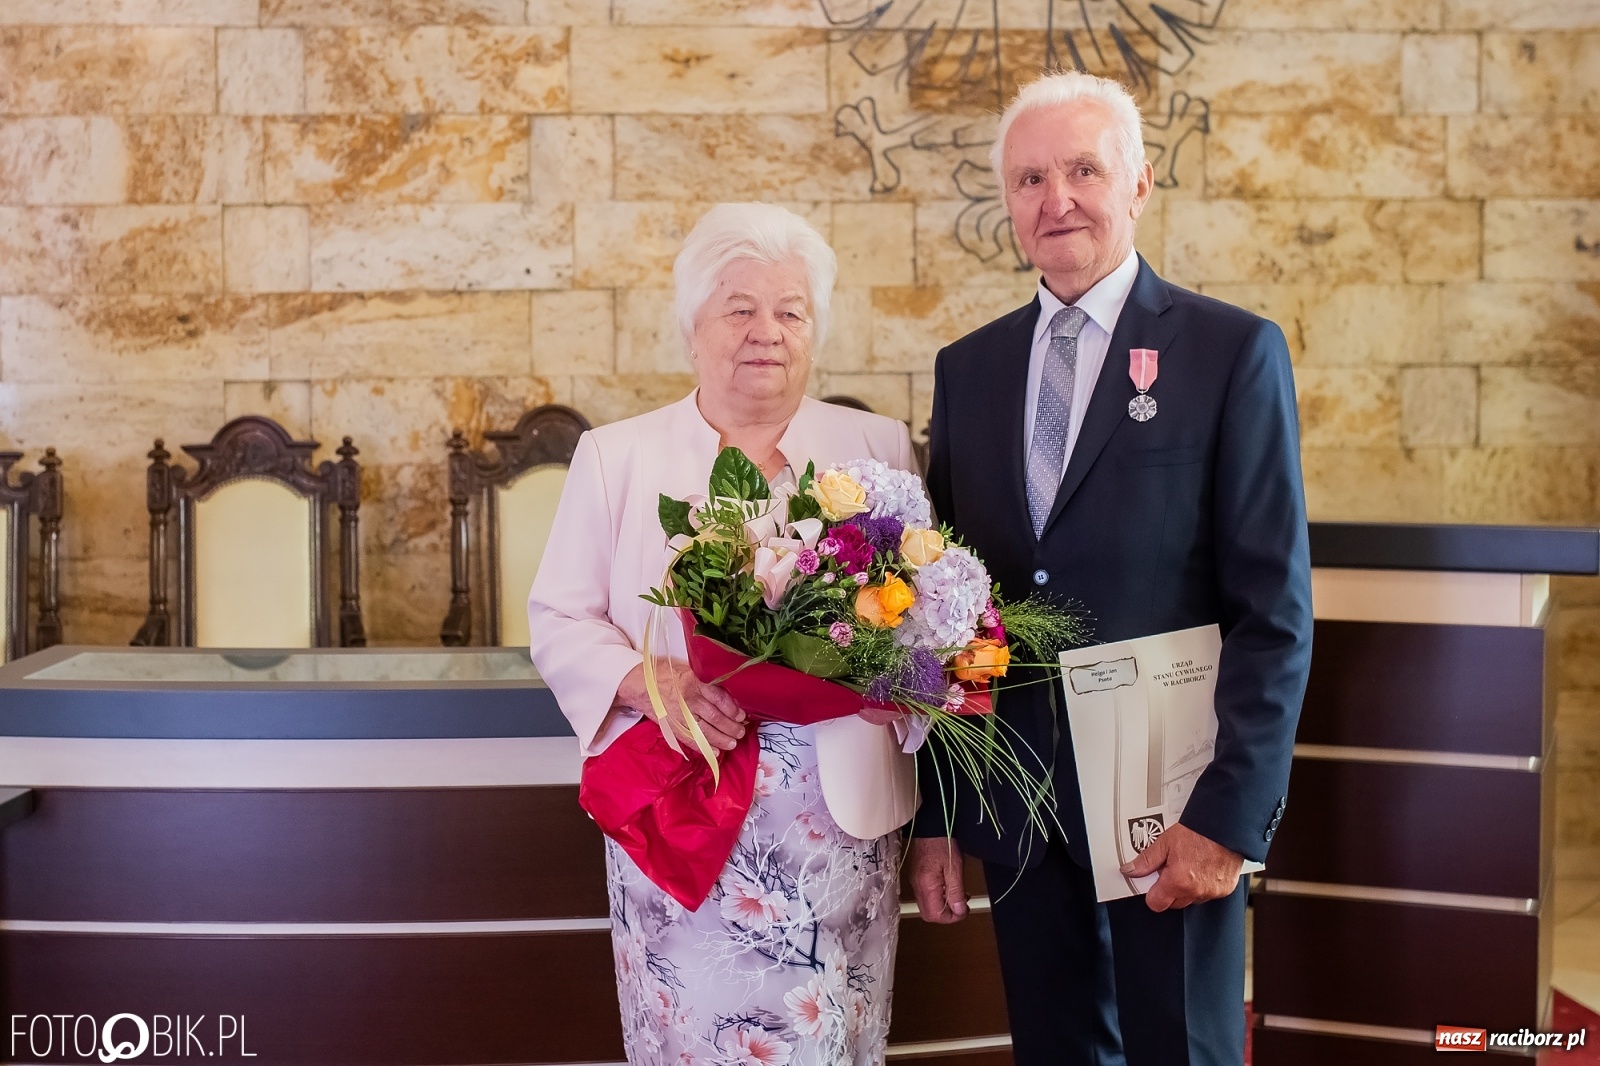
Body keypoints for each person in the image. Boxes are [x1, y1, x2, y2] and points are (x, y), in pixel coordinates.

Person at [908, 71, 1314, 1065]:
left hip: (1170, 798)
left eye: (1083, 169)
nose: (1057, 200)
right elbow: (948, 620)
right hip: (1021, 804)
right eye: (1030, 178)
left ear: (1137, 184)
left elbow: (1273, 611)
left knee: (1184, 1046)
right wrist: (941, 814)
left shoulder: (1232, 353)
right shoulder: (970, 370)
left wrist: (1228, 815)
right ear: (1006, 201)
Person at [528, 202, 919, 1066]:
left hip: (839, 835)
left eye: (790, 311)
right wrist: (647, 678)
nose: (765, 332)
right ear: (692, 330)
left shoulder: (877, 446)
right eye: (738, 308)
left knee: (834, 1045)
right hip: (684, 815)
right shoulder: (617, 457)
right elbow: (558, 616)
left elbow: (922, 626)